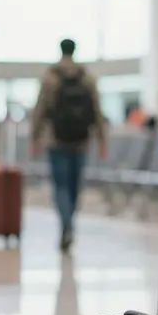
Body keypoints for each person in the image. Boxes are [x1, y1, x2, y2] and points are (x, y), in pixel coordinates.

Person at [30, 38, 107, 250]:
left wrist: (34, 138)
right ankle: (70, 223)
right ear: (74, 51)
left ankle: (65, 225)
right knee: (75, 186)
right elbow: (98, 111)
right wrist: (102, 141)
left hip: (56, 140)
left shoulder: (50, 77)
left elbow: (40, 109)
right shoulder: (87, 77)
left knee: (60, 186)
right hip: (82, 140)